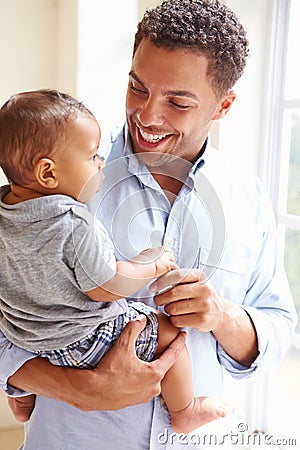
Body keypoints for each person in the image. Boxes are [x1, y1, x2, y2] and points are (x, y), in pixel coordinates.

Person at [0, 1, 297, 449]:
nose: (147, 115)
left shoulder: (248, 198)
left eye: (178, 101)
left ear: (224, 106)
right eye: (138, 88)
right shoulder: (59, 183)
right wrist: (77, 389)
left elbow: (278, 328)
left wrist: (222, 316)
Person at [0, 88, 228, 435]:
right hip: (82, 342)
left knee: (18, 342)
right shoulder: (73, 222)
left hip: (27, 338)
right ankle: (186, 410)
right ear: (48, 174)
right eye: (92, 157)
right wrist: (150, 265)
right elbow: (106, 286)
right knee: (166, 331)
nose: (101, 162)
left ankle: (22, 399)